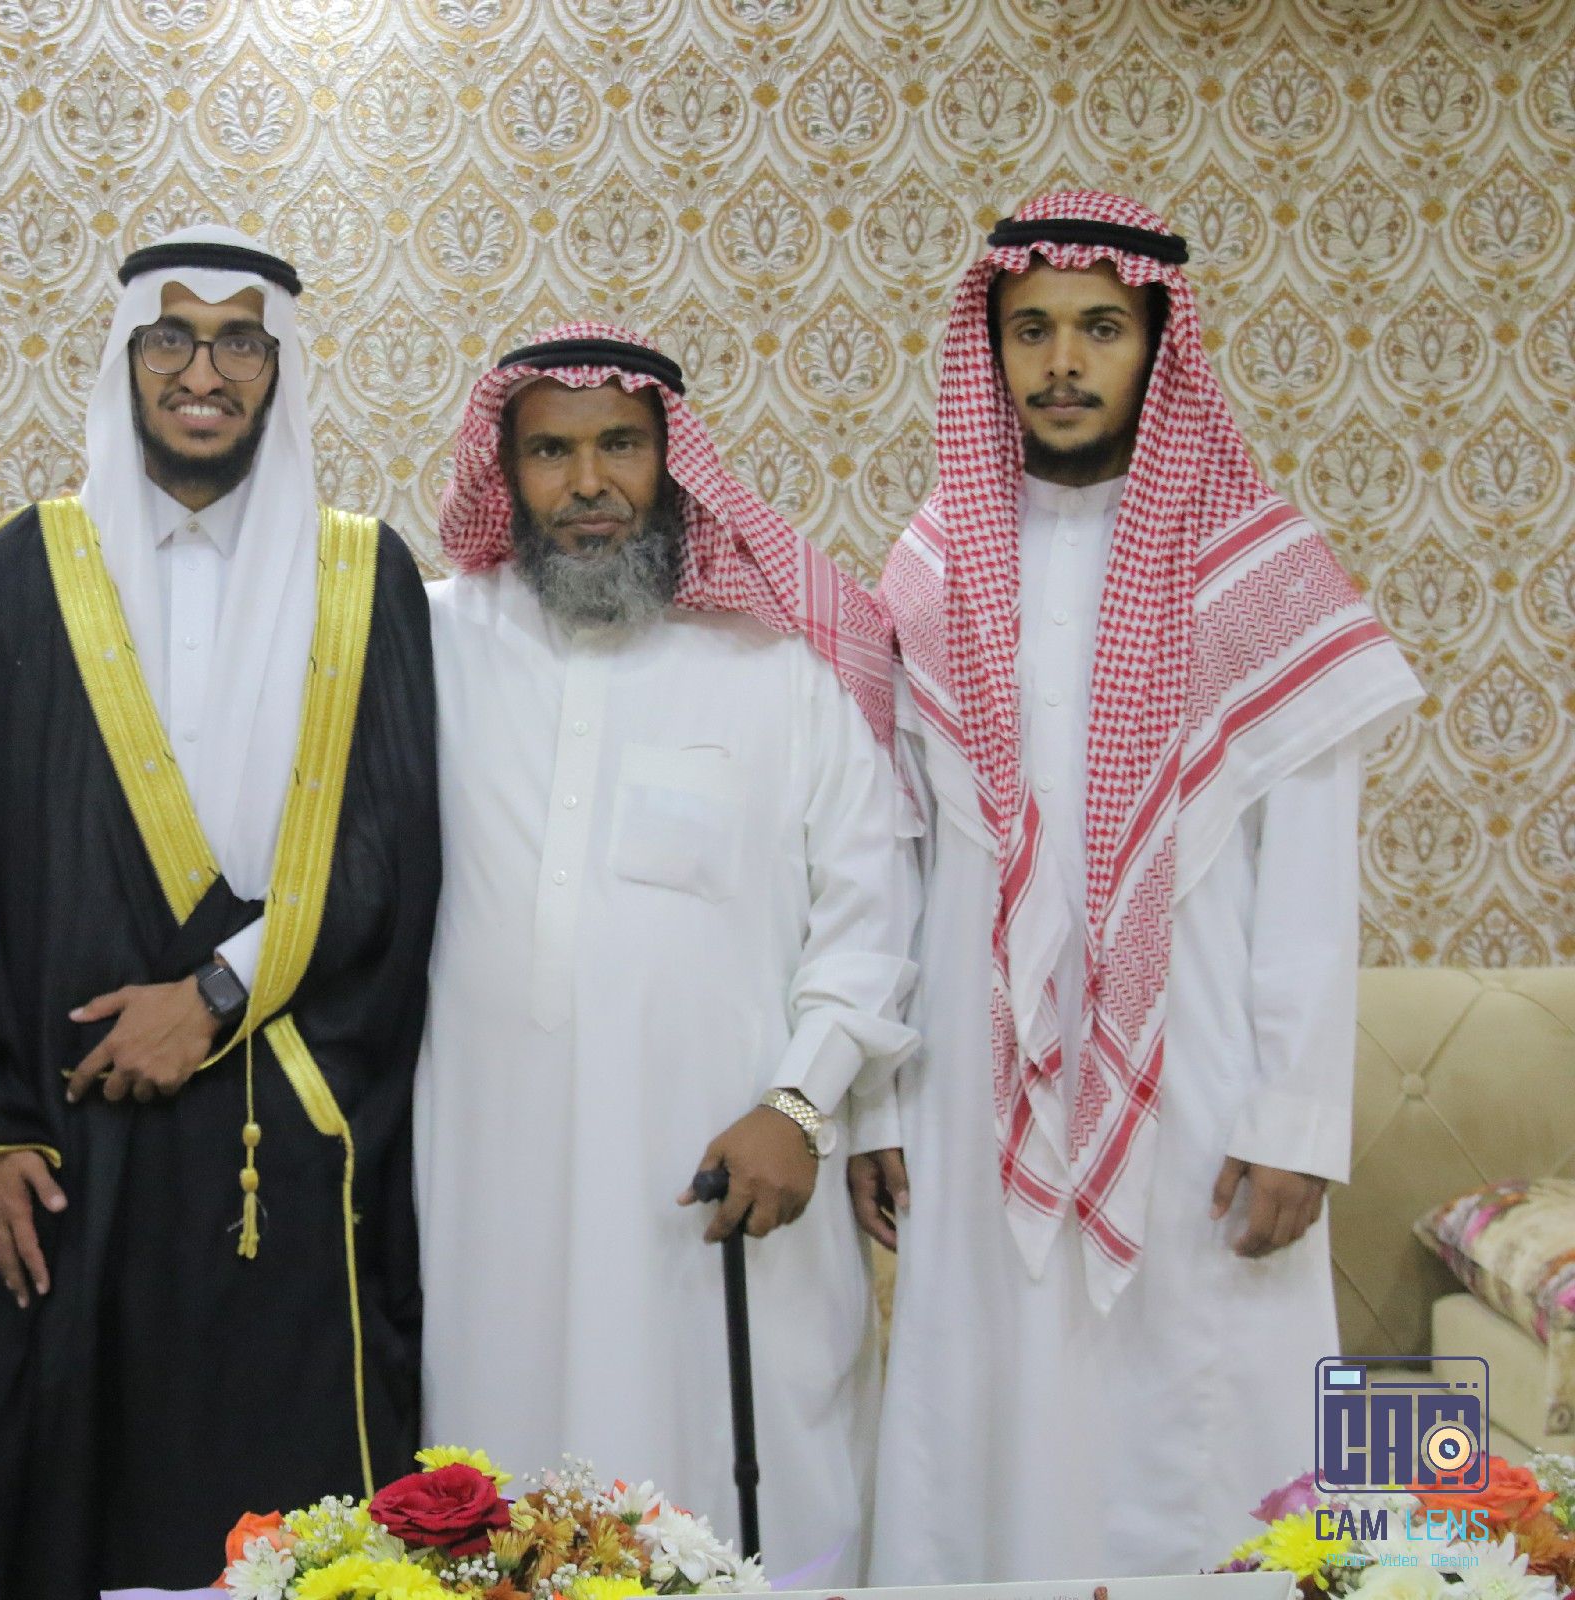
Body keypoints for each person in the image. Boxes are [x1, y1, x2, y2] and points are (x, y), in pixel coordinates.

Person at [860, 191, 1421, 1581]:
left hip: (1206, 1093)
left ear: (1160, 349)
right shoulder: (933, 565)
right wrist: (876, 1096)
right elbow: (894, 854)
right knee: (985, 1409)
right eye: (1032, 330)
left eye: (1101, 329)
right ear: (990, 348)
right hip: (976, 1082)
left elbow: (1309, 876)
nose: (1062, 362)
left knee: (1206, 1420)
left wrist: (1298, 1119)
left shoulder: (1258, 572)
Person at [0, 226, 442, 1598]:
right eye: (172, 338)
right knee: (62, 1490)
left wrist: (213, 995)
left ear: (280, 367)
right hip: (69, 1135)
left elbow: (391, 855)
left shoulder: (365, 577)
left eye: (239, 342)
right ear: (127, 356)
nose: (202, 373)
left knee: (288, 1503)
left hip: (290, 1120)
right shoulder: (17, 574)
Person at [418, 323, 917, 1584]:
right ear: (505, 473)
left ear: (673, 459)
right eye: (551, 452)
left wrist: (802, 1102)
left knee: (740, 1506)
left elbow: (871, 917)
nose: (588, 482)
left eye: (621, 446)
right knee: (495, 1503)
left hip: (726, 1182)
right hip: (487, 1191)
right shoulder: (429, 644)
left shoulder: (780, 666)